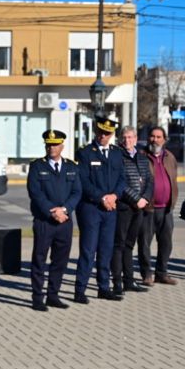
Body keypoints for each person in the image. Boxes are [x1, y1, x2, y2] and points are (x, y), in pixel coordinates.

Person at [27, 129, 82, 311]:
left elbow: (77, 192)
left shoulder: (71, 166)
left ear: (62, 146)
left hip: (65, 221)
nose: (52, 147)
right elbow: (36, 194)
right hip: (45, 221)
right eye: (49, 144)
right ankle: (37, 297)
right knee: (39, 259)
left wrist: (64, 210)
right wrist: (53, 212)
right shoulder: (37, 167)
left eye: (55, 144)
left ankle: (53, 295)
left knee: (60, 260)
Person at [73, 116, 126, 303]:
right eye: (101, 132)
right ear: (96, 131)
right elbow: (84, 182)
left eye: (108, 133)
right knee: (88, 250)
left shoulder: (116, 153)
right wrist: (102, 197)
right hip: (91, 207)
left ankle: (104, 287)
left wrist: (114, 196)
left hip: (110, 208)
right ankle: (80, 289)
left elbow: (122, 179)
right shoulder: (86, 153)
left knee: (106, 250)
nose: (104, 136)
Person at [111, 125, 153, 296]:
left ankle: (129, 280)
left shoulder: (142, 158)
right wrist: (136, 199)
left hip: (140, 208)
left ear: (136, 138)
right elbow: (119, 183)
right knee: (119, 245)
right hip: (124, 207)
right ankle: (117, 282)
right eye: (124, 137)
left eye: (130, 137)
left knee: (130, 245)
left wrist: (144, 199)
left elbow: (150, 181)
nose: (127, 140)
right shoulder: (117, 157)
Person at [137, 126, 179, 286]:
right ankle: (147, 273)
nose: (155, 139)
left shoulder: (170, 157)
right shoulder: (142, 157)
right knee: (145, 243)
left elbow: (173, 178)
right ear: (148, 138)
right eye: (152, 136)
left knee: (166, 243)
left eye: (159, 137)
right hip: (148, 208)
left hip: (166, 208)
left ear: (164, 139)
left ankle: (162, 273)